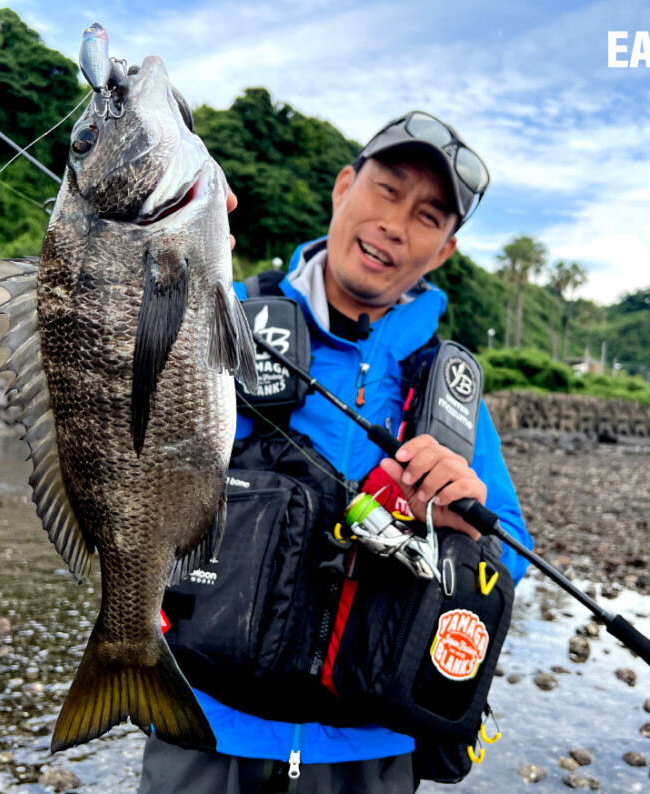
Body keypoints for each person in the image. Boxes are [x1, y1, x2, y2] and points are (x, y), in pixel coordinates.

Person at [140, 111, 532, 794]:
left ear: (440, 252)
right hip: (201, 722)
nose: (396, 222)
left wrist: (463, 525)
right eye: (386, 189)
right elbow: (131, 427)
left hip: (368, 752)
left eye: (428, 216)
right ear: (344, 187)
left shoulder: (451, 393)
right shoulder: (218, 313)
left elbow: (514, 555)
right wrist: (160, 248)